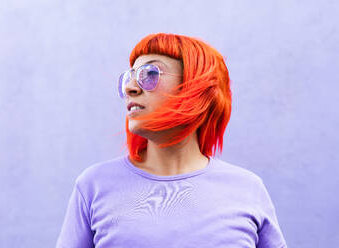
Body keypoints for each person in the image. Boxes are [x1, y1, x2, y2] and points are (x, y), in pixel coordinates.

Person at [56, 33, 287, 248]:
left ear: (198, 87)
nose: (130, 87)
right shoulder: (93, 186)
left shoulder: (247, 189)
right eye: (129, 77)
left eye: (150, 74)